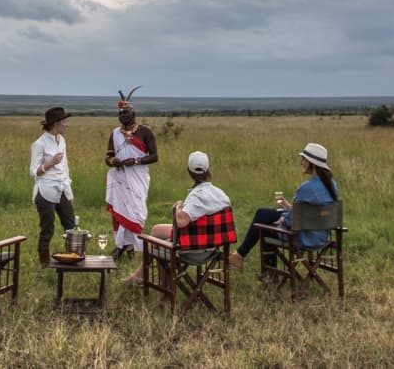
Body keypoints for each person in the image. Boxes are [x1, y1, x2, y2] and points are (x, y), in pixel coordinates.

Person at [125, 150, 231, 285]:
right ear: (208, 170)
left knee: (156, 243)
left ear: (189, 171)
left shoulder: (196, 196)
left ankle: (162, 286)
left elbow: (181, 222)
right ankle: (139, 276)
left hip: (193, 251)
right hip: (214, 246)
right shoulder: (221, 194)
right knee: (157, 230)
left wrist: (178, 207)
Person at [228, 142, 337, 270]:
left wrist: (283, 219)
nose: (301, 162)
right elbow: (316, 213)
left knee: (264, 228)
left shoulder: (306, 188)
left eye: (304, 159)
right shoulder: (332, 184)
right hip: (321, 236)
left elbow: (291, 223)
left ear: (311, 163)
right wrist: (289, 209)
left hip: (304, 238)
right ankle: (239, 256)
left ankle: (266, 274)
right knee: (263, 213)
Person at [104, 87, 158, 259]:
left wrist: (135, 161)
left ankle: (133, 246)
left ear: (133, 114)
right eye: (120, 113)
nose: (123, 116)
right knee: (120, 210)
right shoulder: (114, 133)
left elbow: (154, 156)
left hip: (138, 178)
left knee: (136, 211)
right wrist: (114, 162)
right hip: (119, 178)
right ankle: (123, 246)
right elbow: (108, 157)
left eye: (126, 113)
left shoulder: (145, 131)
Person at [30, 106, 76, 265]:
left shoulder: (62, 140)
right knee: (47, 228)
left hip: (62, 188)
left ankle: (74, 259)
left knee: (71, 226)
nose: (66, 125)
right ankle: (44, 264)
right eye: (64, 122)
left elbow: (65, 168)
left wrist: (69, 193)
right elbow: (33, 172)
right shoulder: (39, 144)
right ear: (55, 123)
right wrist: (49, 164)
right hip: (45, 192)